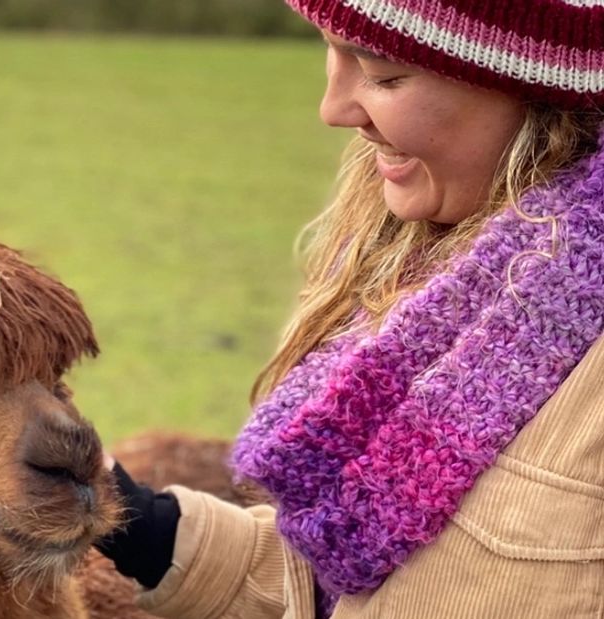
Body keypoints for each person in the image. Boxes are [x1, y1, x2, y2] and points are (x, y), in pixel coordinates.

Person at [95, 1, 604, 618]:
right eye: (329, 54)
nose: (332, 110)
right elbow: (359, 586)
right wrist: (133, 520)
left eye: (385, 75)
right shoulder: (435, 289)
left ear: (532, 80)